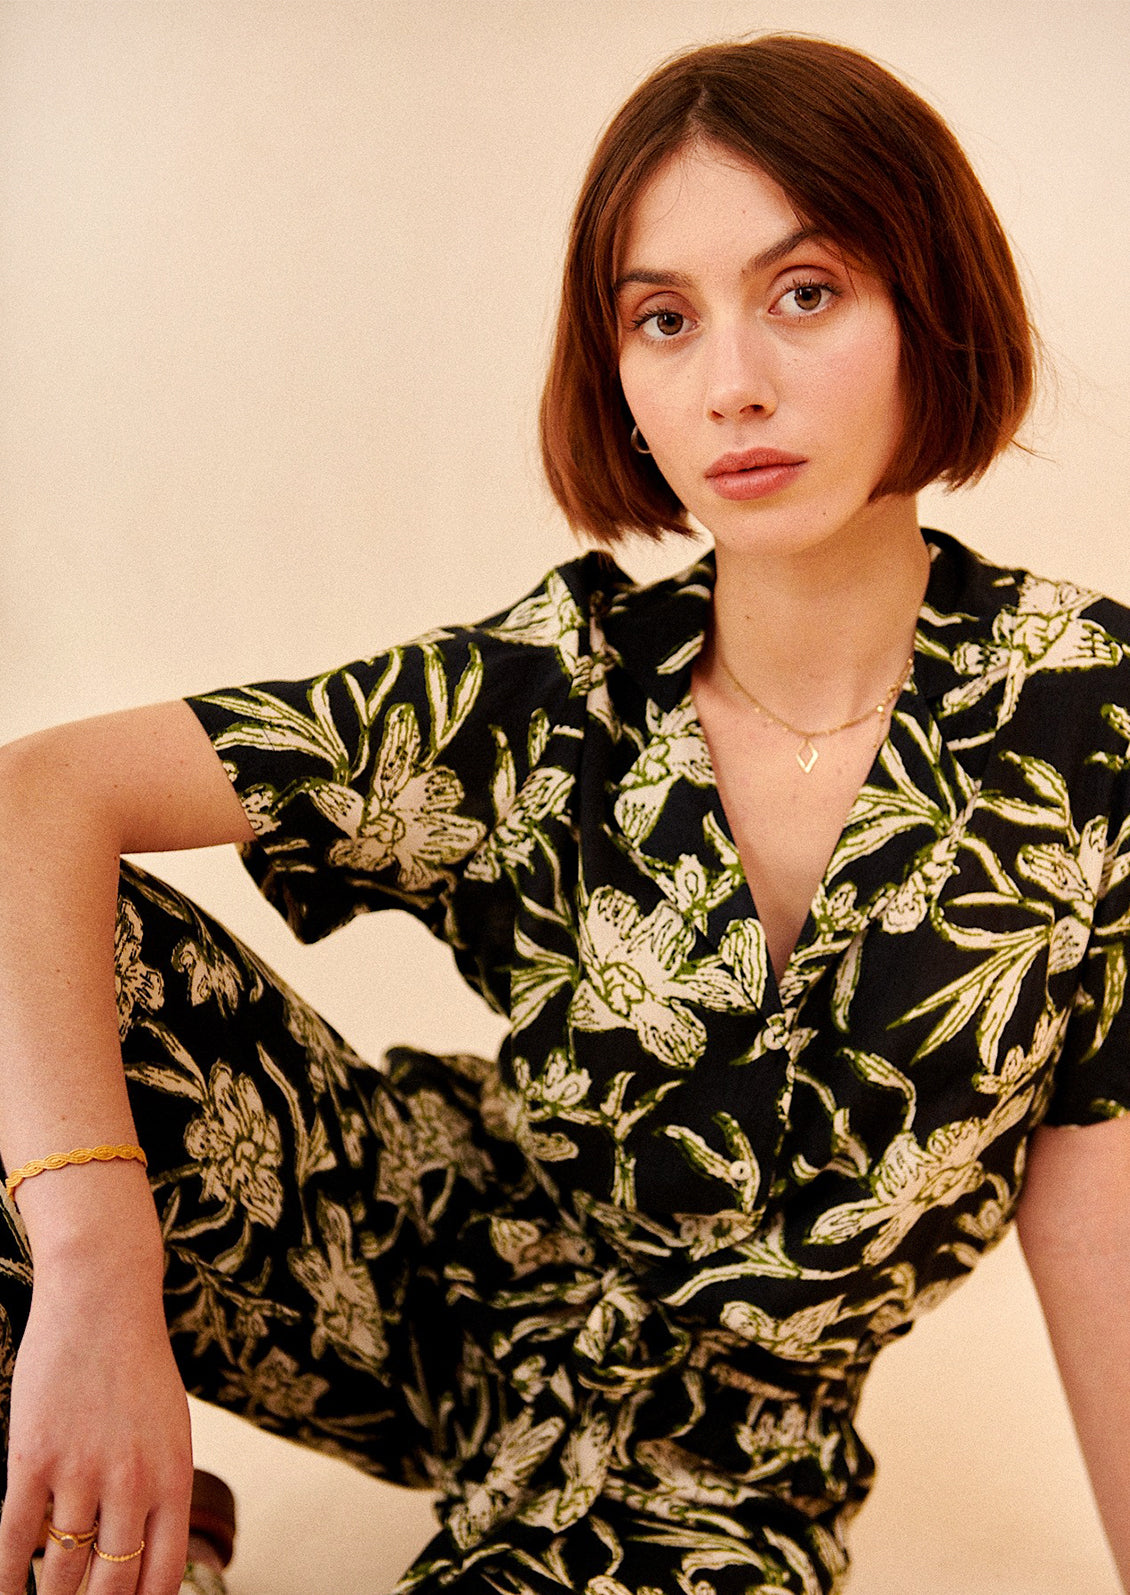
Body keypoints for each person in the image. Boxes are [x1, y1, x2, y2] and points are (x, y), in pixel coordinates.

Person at [0, 30, 1127, 1595]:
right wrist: (95, 1277)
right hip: (420, 1261)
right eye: (661, 319)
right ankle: (94, 1512)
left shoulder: (1091, 729)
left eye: (803, 293)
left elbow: (1101, 1223)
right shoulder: (554, 691)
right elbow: (36, 795)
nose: (730, 382)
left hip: (710, 1471)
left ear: (927, 299)